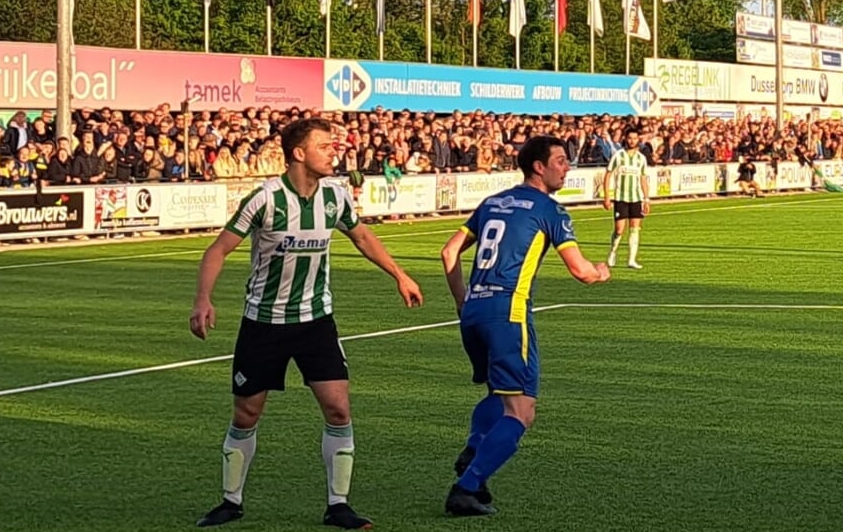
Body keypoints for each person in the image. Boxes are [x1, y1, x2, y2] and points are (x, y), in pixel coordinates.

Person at [188, 118, 425, 530]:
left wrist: (399, 275)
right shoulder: (264, 199)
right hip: (264, 322)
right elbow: (218, 250)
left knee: (338, 408)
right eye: (324, 145)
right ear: (299, 153)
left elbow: (363, 238)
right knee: (247, 413)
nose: (334, 150)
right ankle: (231, 501)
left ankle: (338, 505)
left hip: (317, 320)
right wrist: (203, 299)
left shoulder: (334, 197)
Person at [439, 136, 610, 516]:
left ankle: (473, 451)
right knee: (521, 411)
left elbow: (448, 251)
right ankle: (466, 488)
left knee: (498, 394)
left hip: (475, 312)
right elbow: (580, 272)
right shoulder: (550, 210)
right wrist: (600, 272)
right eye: (561, 161)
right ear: (539, 166)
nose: (567, 168)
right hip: (508, 312)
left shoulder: (492, 202)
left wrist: (461, 300)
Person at [602, 136, 650, 269]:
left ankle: (632, 259)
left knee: (635, 229)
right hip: (620, 197)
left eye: (635, 138)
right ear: (626, 140)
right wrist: (606, 196)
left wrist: (646, 199)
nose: (632, 141)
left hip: (636, 198)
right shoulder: (618, 156)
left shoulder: (641, 158)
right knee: (619, 229)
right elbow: (608, 174)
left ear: (638, 140)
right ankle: (613, 252)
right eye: (630, 138)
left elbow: (643, 179)